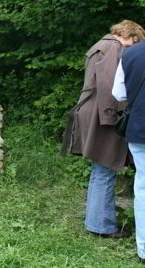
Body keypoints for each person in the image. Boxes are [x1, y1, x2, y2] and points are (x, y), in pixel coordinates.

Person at [64, 20, 145, 238]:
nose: (133, 47)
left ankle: (97, 221)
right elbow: (109, 86)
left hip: (95, 110)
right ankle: (101, 225)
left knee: (101, 168)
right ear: (129, 35)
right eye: (134, 41)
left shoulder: (102, 44)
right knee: (105, 167)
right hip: (103, 113)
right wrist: (112, 117)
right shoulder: (113, 48)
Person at [113, 35, 145, 262]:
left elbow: (119, 94)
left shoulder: (131, 54)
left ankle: (144, 250)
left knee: (143, 189)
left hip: (139, 127)